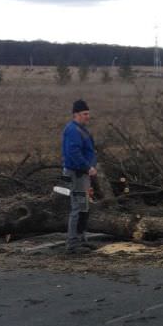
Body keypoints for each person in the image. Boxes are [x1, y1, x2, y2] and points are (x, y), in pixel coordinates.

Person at [62, 99, 97, 252]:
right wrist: (87, 166)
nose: (88, 116)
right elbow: (73, 153)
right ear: (76, 114)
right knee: (77, 208)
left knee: (84, 207)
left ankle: (81, 239)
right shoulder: (72, 130)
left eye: (88, 113)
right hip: (76, 174)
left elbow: (88, 150)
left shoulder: (81, 129)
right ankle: (72, 244)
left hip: (83, 174)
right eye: (85, 114)